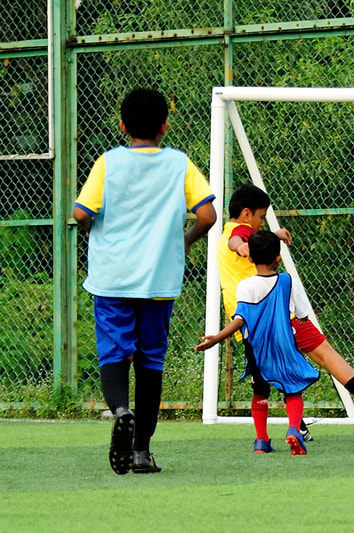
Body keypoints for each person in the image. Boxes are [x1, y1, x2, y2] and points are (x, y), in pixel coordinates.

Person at [73, 88, 216, 474]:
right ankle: (141, 452)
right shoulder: (180, 163)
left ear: (122, 126)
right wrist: (185, 240)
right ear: (164, 126)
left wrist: (91, 230)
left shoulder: (108, 162)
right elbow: (207, 215)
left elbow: (81, 212)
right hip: (158, 280)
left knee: (114, 355)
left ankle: (121, 410)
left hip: (112, 278)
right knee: (151, 360)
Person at [217, 184, 354, 446]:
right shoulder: (239, 235)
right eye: (261, 217)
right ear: (246, 214)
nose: (261, 223)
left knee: (269, 375)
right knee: (326, 354)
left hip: (250, 324)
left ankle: (289, 429)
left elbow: (240, 239)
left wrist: (270, 235)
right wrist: (242, 247)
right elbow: (238, 239)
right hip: (280, 317)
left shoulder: (224, 236)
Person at [196, 230, 320, 455]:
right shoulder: (287, 281)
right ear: (278, 258)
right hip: (283, 344)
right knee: (293, 389)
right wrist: (300, 318)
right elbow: (303, 314)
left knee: (260, 392)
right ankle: (294, 429)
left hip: (256, 347)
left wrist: (216, 338)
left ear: (251, 258)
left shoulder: (245, 286)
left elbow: (240, 318)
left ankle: (261, 440)